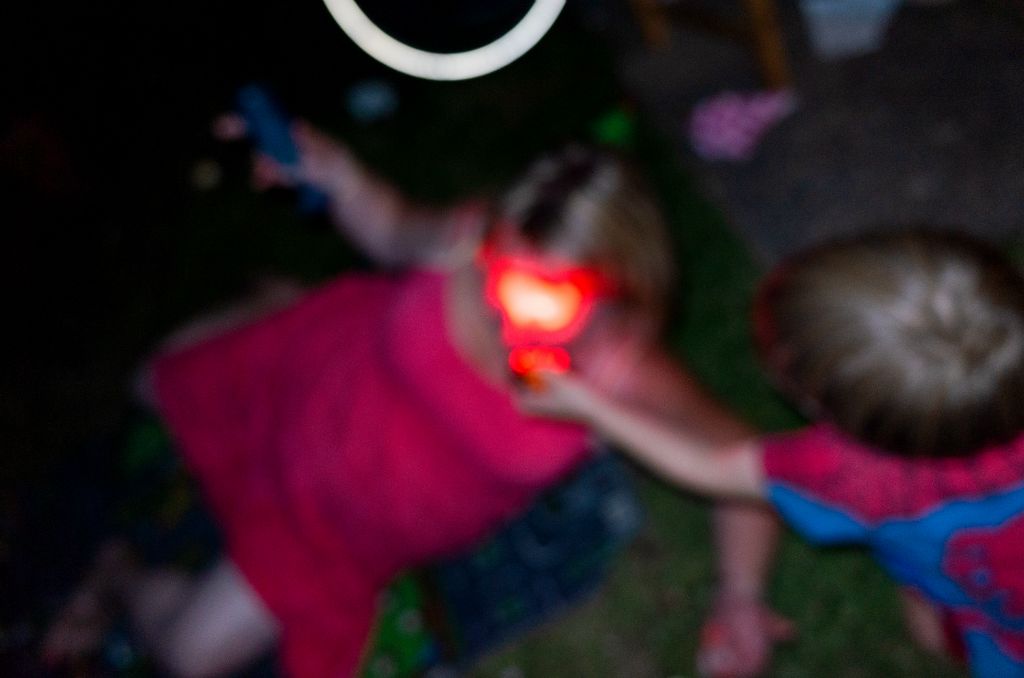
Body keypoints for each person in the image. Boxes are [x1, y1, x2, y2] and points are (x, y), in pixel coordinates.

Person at [42, 122, 787, 677]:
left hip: (343, 522)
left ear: (620, 296)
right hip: (322, 369)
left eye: (545, 298)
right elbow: (395, 228)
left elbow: (746, 472)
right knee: (151, 380)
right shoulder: (475, 238)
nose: (507, 311)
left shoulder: (622, 370)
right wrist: (335, 171)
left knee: (188, 654)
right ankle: (281, 306)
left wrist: (740, 596)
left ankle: (114, 571)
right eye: (503, 274)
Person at [520, 230, 1024, 677]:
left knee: (930, 625)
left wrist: (588, 404)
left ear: (815, 401)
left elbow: (710, 467)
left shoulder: (849, 477)